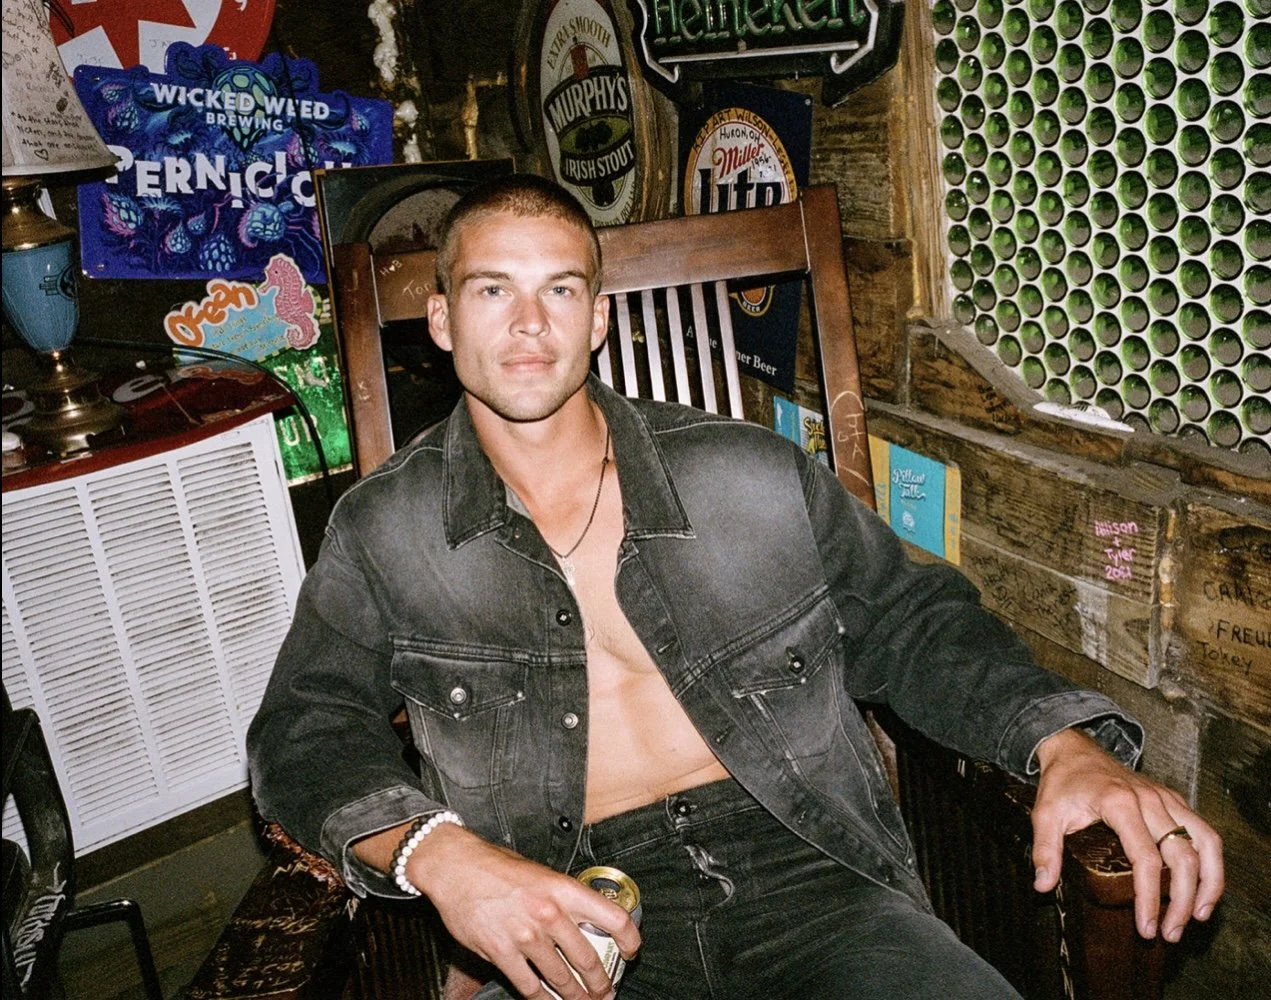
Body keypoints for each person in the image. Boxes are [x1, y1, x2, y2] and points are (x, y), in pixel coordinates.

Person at [247, 174, 1223, 1000]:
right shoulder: (385, 529)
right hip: (561, 908)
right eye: (493, 290)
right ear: (443, 319)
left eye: (560, 290)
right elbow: (303, 729)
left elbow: (911, 619)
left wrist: (1061, 742)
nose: (530, 325)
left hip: (812, 873)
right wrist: (439, 856)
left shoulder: (748, 477)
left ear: (599, 316)